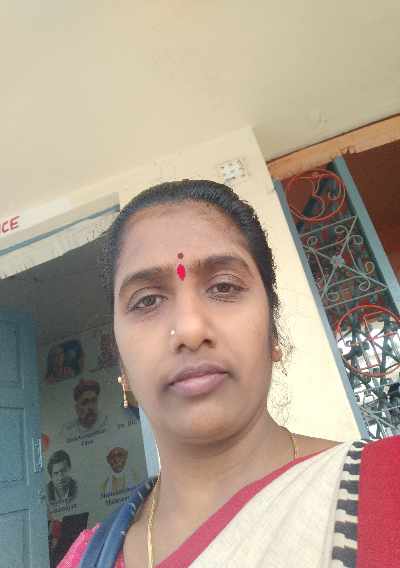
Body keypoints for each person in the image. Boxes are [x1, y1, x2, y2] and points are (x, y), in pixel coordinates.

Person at [59, 180, 399, 567]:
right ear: (122, 361)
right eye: (147, 300)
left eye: (224, 286)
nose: (189, 329)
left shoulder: (388, 484)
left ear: (273, 332)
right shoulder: (86, 558)